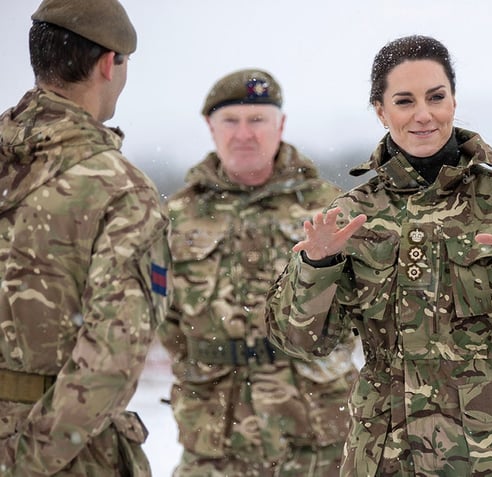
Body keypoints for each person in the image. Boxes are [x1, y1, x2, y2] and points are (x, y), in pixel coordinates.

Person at [266, 35, 492, 476]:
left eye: (436, 97)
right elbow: (302, 342)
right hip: (383, 454)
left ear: (453, 100)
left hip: (489, 453)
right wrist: (316, 268)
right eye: (405, 101)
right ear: (381, 110)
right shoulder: (350, 216)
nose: (423, 115)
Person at [160, 68, 357, 477]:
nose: (244, 134)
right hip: (214, 436)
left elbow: (357, 310)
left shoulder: (331, 208)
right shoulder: (176, 217)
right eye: (230, 121)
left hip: (318, 434)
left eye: (257, 120)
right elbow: (166, 320)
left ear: (280, 124)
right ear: (210, 127)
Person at [0, 0, 170, 475]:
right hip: (65, 455)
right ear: (107, 64)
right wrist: (26, 461)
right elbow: (113, 354)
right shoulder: (119, 187)